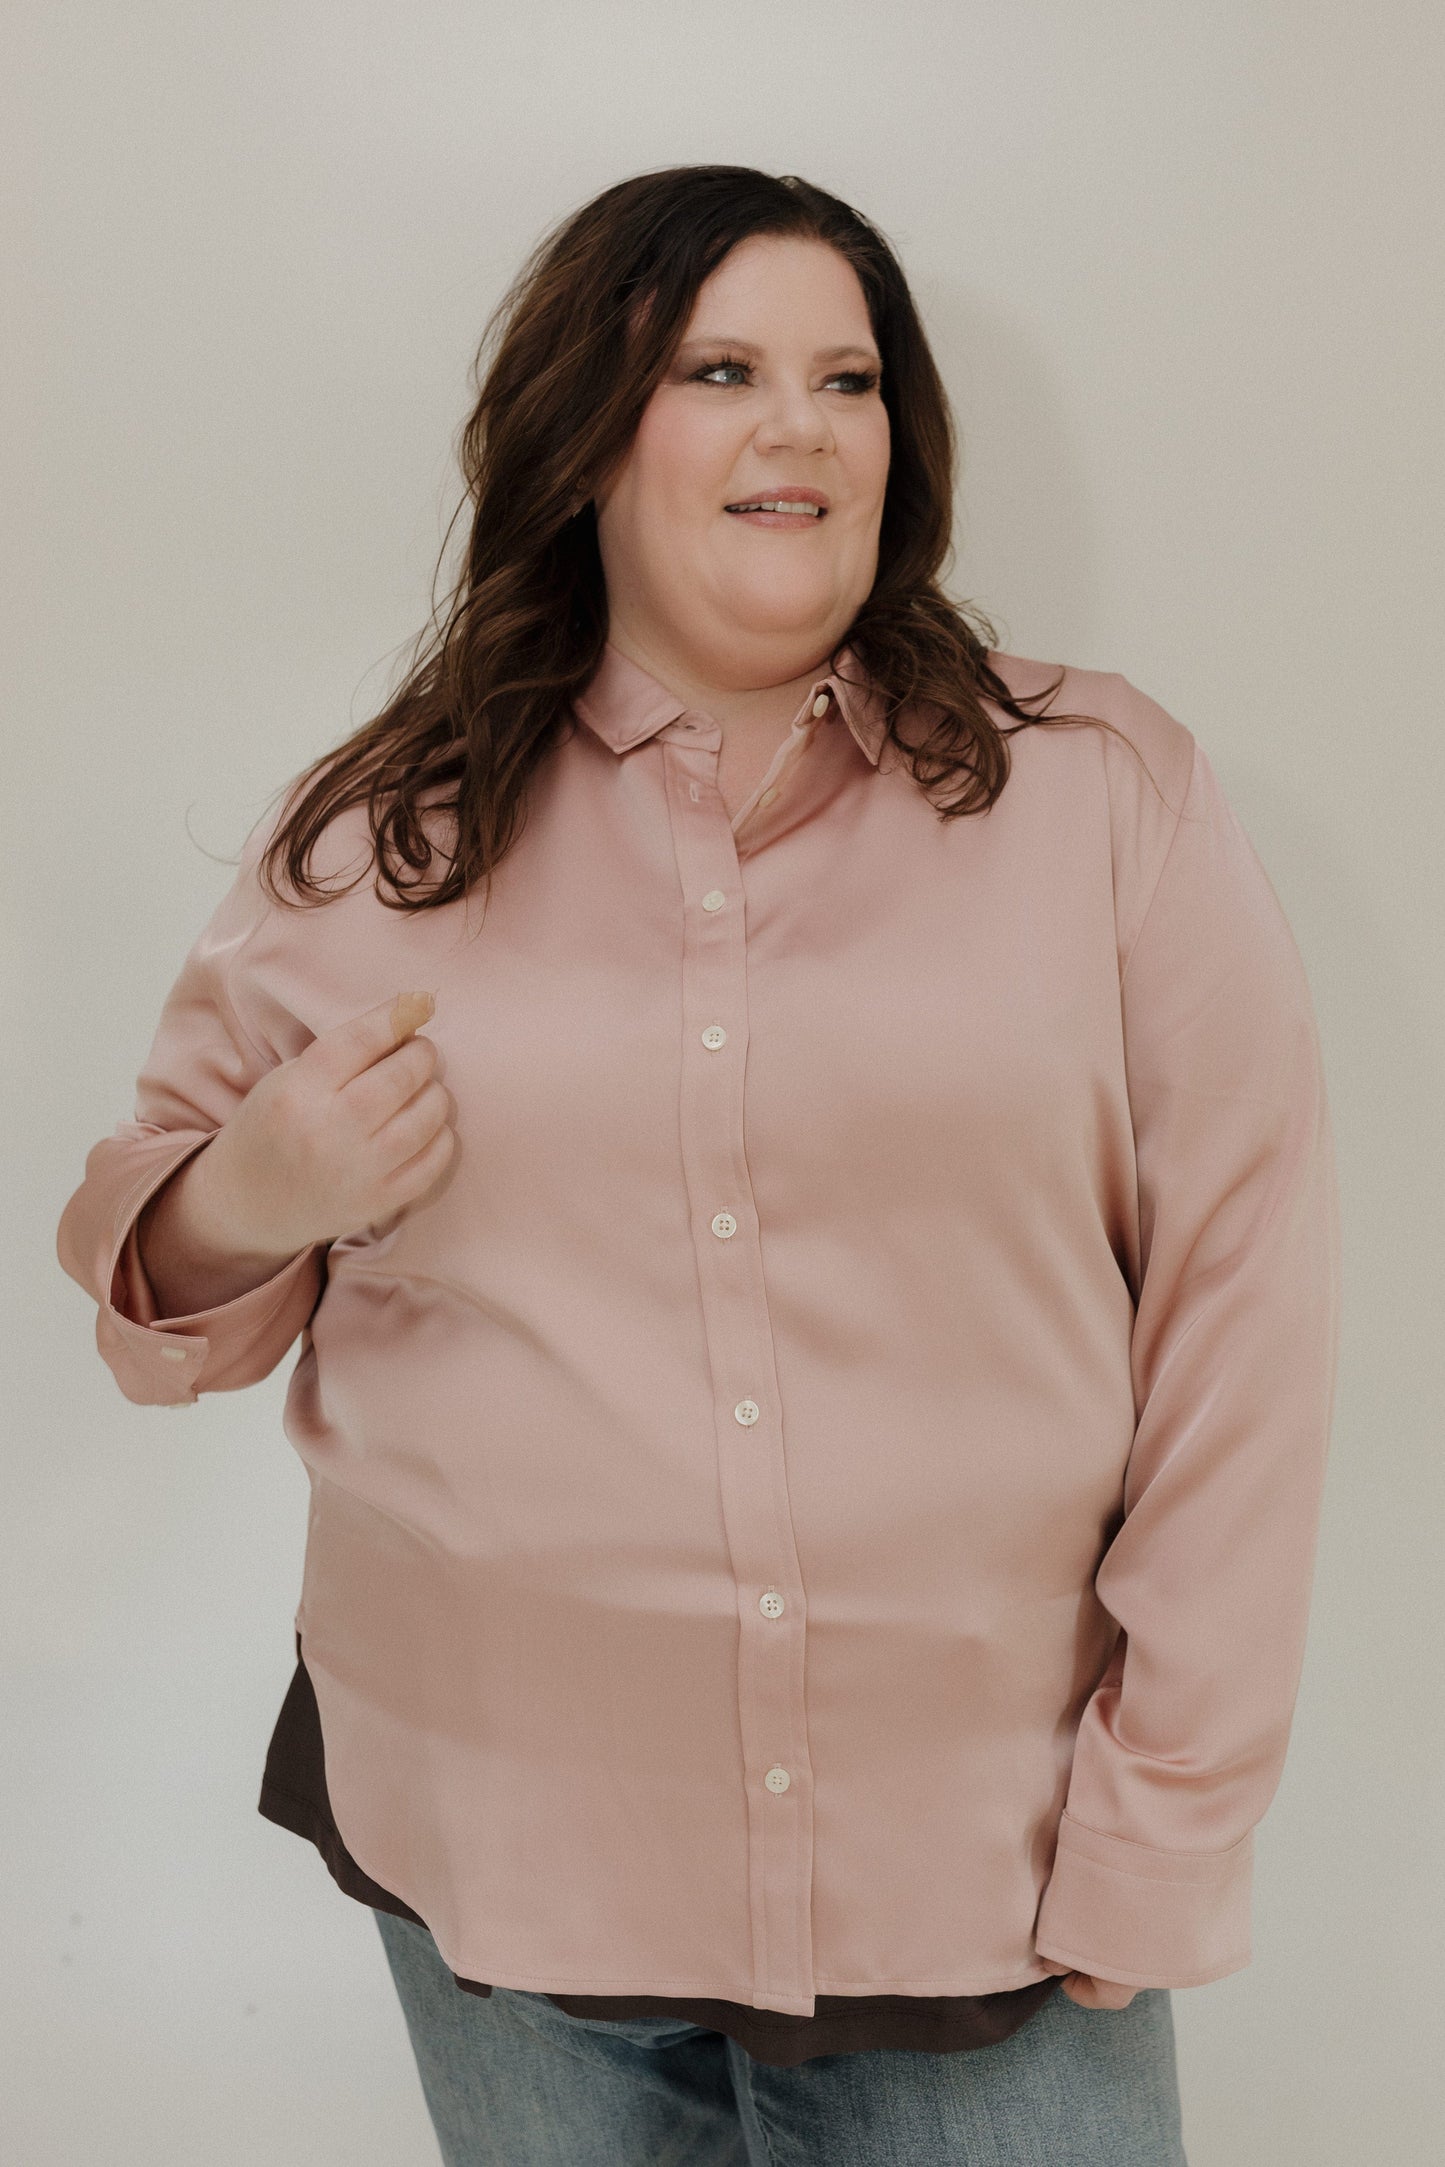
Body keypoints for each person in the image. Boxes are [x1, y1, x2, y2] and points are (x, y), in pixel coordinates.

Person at [56, 165, 1340, 2165]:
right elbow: (157, 1310)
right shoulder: (385, 834)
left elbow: (1240, 1326)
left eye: (849, 379)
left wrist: (1166, 1818)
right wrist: (250, 1192)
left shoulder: (1104, 800)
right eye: (721, 370)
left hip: (979, 1869)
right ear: (588, 434)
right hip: (501, 1852)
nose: (799, 428)